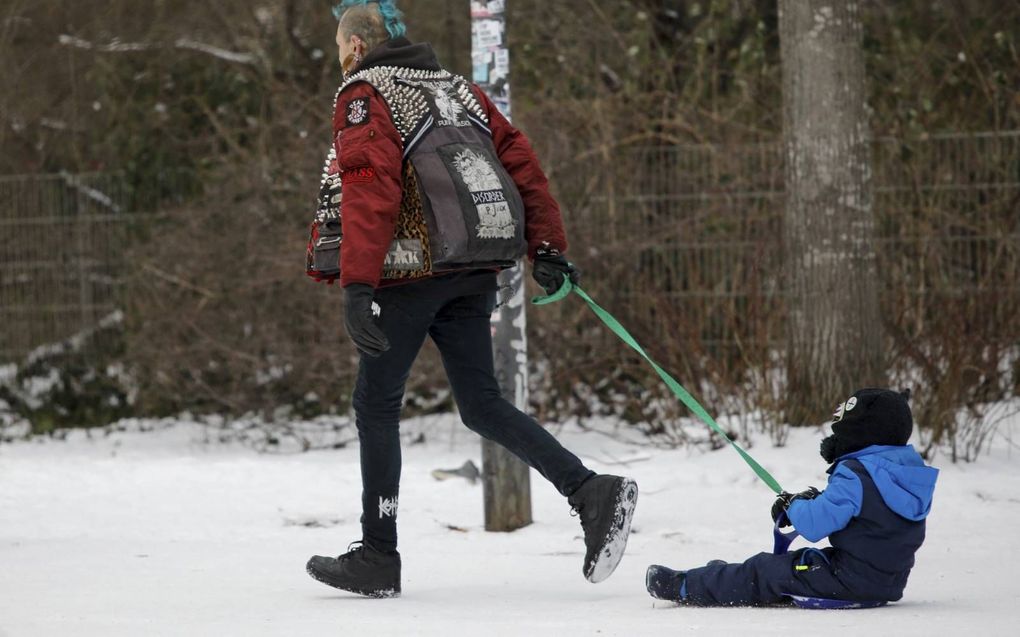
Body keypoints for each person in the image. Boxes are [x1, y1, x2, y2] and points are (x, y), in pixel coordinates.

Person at [303, 0, 638, 598]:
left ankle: (378, 555)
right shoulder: (456, 88)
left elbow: (368, 183)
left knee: (376, 405)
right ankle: (590, 491)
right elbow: (520, 162)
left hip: (410, 270)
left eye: (337, 45)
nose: (338, 56)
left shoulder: (364, 93)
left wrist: (357, 284)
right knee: (481, 403)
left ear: (356, 45)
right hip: (474, 266)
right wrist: (546, 246)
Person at [646, 388, 938, 607]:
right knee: (785, 567)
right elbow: (868, 515)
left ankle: (684, 585)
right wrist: (815, 499)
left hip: (846, 578)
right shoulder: (906, 474)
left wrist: (794, 505)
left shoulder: (855, 473)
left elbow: (813, 526)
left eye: (841, 433)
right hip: (888, 581)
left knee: (763, 570)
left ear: (860, 435)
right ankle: (724, 577)